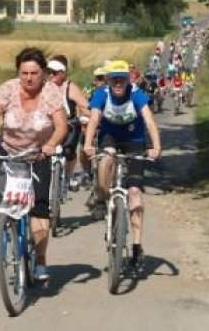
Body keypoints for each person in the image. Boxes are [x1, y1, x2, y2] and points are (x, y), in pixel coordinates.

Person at [0, 47, 68, 282]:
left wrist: (50, 144)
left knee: (39, 208)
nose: (29, 78)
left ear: (43, 73)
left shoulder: (50, 92)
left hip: (38, 154)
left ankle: (41, 260)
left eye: (34, 73)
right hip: (7, 150)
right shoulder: (8, 89)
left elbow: (62, 127)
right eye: (24, 73)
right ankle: (5, 223)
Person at [83, 60, 161, 268]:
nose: (118, 83)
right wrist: (88, 144)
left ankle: (136, 246)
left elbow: (149, 120)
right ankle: (102, 197)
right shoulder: (101, 94)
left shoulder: (136, 94)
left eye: (122, 79)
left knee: (134, 194)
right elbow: (94, 119)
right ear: (108, 80)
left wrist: (156, 146)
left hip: (134, 141)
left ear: (128, 80)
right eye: (114, 79)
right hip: (109, 138)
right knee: (106, 158)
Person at [46, 55, 90, 190]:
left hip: (69, 123)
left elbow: (85, 106)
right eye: (48, 72)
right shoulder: (44, 86)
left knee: (68, 151)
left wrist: (91, 117)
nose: (50, 75)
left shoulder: (70, 88)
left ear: (63, 73)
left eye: (54, 73)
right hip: (49, 124)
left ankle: (69, 177)